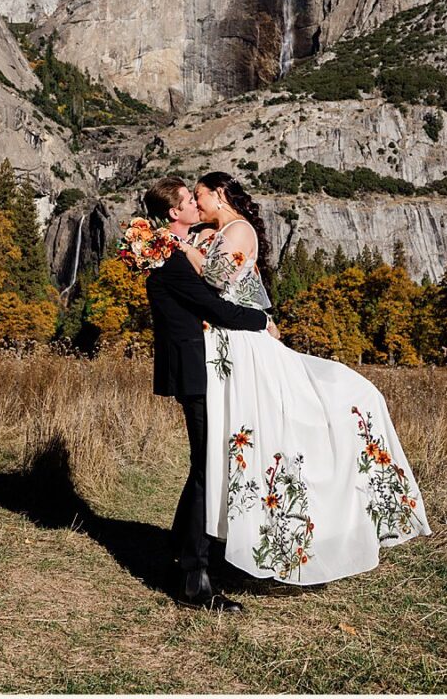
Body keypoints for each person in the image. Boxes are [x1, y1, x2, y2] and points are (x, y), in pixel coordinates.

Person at [180, 171, 430, 585]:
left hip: (243, 344)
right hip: (225, 345)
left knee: (288, 425)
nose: (197, 202)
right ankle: (213, 543)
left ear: (219, 194)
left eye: (200, 195)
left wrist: (182, 248)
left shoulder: (238, 230)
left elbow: (218, 279)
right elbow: (246, 290)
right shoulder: (213, 234)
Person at [141, 175, 281, 612]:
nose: (195, 205)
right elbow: (216, 308)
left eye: (196, 196)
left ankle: (184, 554)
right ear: (174, 212)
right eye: (189, 199)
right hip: (197, 372)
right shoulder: (171, 258)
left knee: (205, 466)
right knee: (207, 467)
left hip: (204, 368)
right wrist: (263, 322)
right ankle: (195, 580)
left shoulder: (179, 249)